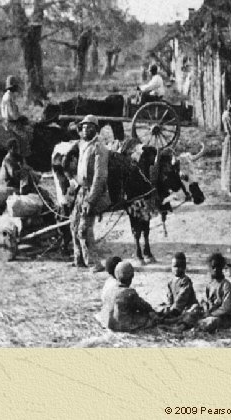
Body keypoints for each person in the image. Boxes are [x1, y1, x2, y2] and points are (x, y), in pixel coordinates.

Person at [70, 114, 111, 270]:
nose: (86, 130)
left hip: (93, 193)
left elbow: (100, 177)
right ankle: (79, 259)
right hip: (81, 191)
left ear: (96, 130)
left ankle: (94, 263)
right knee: (73, 225)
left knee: (84, 229)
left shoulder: (99, 148)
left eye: (90, 128)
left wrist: (91, 200)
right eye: (84, 127)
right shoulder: (82, 144)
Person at [96, 261, 157, 332]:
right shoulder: (129, 292)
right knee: (150, 318)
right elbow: (143, 306)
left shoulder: (111, 289)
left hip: (106, 321)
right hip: (121, 325)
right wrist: (152, 312)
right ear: (131, 277)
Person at [197, 252, 231, 332]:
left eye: (218, 267)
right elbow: (205, 301)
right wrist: (204, 307)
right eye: (213, 267)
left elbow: (226, 308)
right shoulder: (210, 284)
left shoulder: (227, 286)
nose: (215, 270)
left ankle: (196, 326)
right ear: (210, 268)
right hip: (209, 313)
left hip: (223, 318)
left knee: (212, 321)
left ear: (222, 268)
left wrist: (210, 314)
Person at [158, 252, 199, 320]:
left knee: (192, 312)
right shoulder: (171, 283)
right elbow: (170, 299)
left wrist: (173, 309)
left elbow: (182, 298)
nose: (177, 269)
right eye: (175, 266)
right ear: (171, 267)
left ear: (184, 267)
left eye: (180, 266)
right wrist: (168, 307)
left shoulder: (185, 281)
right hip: (175, 308)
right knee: (159, 308)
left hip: (185, 307)